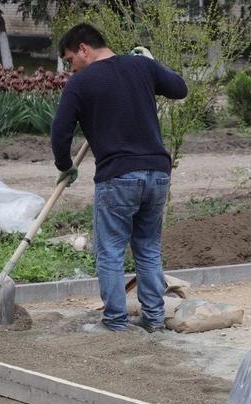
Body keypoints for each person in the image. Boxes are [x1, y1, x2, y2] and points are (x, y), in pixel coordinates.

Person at [51, 23, 187, 333]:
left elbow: (60, 133)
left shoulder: (81, 84)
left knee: (110, 251)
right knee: (148, 249)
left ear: (84, 49)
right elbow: (180, 89)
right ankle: (154, 319)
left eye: (70, 59)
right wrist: (153, 63)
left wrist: (65, 165)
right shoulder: (141, 66)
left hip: (118, 177)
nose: (71, 68)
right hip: (157, 174)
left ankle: (115, 322)